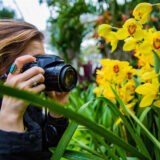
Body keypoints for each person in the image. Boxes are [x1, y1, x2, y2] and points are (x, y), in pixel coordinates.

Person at [0, 19, 70, 160]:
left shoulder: (29, 107)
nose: (41, 71)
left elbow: (47, 152)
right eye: (34, 63)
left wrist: (56, 112)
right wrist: (10, 119)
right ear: (4, 69)